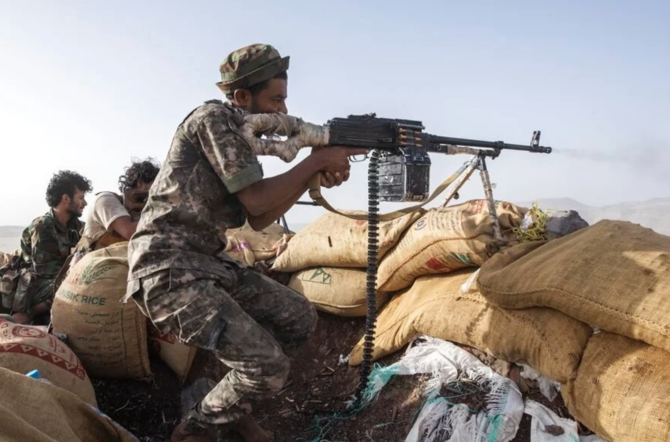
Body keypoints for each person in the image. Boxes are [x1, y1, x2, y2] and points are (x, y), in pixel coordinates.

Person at [123, 43, 367, 442]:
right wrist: (316, 162)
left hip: (207, 262)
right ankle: (192, 431)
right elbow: (257, 203)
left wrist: (316, 171)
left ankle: (231, 407)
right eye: (276, 99)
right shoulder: (213, 120)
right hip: (168, 270)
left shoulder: (237, 129)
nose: (284, 111)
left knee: (297, 318)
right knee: (268, 367)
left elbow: (263, 215)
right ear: (241, 97)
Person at [0, 171, 92, 324]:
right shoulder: (43, 226)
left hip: (51, 281)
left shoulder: (77, 227)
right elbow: (47, 273)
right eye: (81, 198)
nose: (85, 203)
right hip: (33, 285)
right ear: (65, 198)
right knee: (74, 285)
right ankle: (25, 316)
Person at [73, 158, 160, 259]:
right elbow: (130, 231)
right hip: (94, 265)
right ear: (140, 183)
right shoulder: (105, 200)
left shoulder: (143, 206)